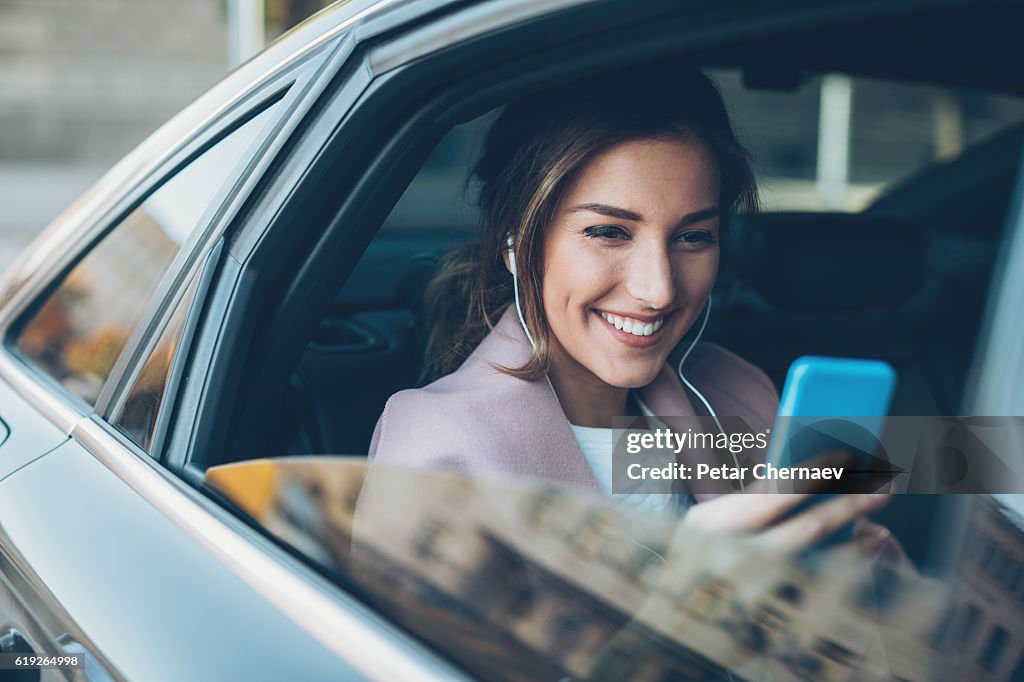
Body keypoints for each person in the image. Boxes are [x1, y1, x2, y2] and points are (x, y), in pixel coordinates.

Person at [368, 62, 894, 549]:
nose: (659, 290)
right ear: (515, 239)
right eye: (609, 232)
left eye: (693, 238)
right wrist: (698, 595)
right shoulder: (438, 447)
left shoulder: (736, 391)